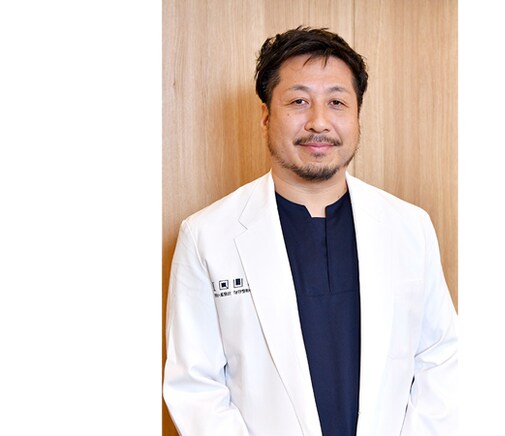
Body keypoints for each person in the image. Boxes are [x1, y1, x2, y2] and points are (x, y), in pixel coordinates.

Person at [163, 26, 458, 436]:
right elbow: (196, 387)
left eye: (337, 102)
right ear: (266, 117)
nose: (319, 122)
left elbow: (441, 359)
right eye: (298, 101)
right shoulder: (206, 237)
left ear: (357, 117)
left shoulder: (410, 227)